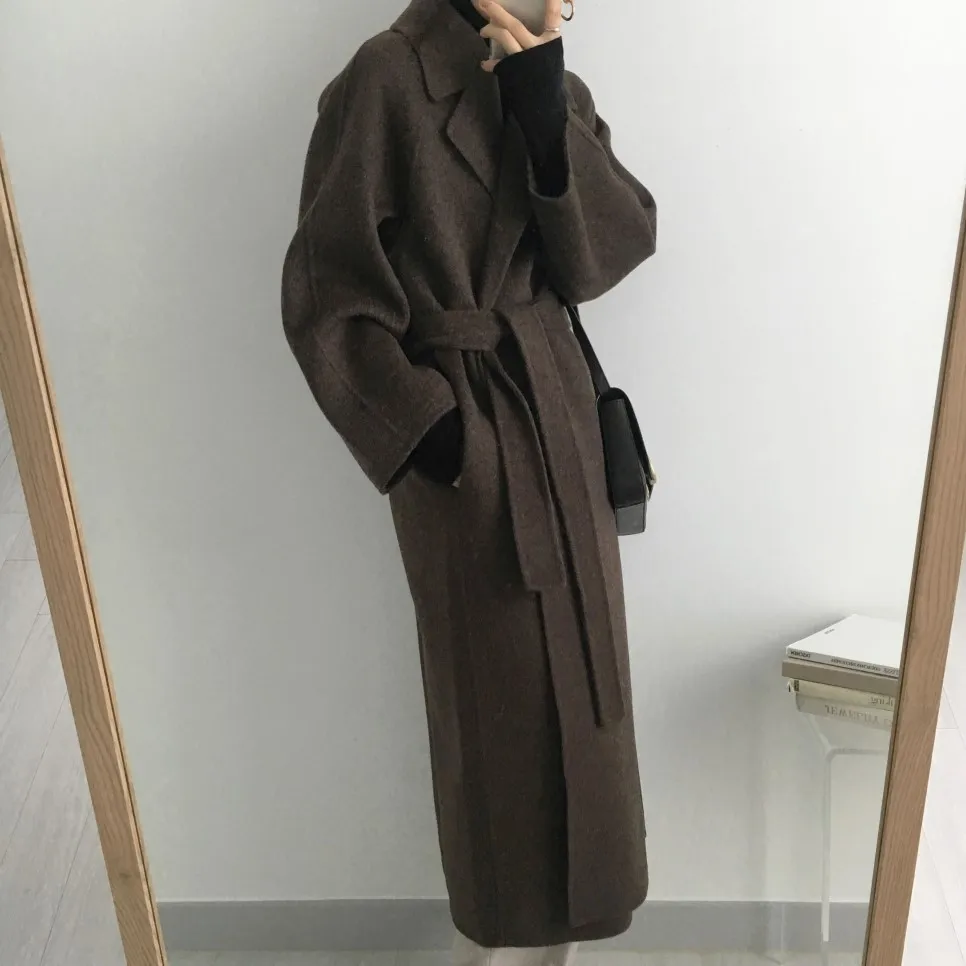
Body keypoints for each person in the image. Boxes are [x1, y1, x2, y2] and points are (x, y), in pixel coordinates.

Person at [281, 0, 657, 962]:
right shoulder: (386, 77)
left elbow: (612, 252)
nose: (567, 2)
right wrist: (436, 439)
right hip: (473, 443)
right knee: (500, 723)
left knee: (589, 701)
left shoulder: (554, 84)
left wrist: (544, 110)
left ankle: (571, 943)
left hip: (559, 421)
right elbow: (328, 297)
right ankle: (495, 944)